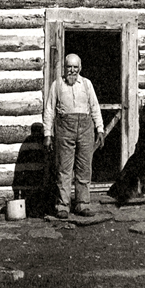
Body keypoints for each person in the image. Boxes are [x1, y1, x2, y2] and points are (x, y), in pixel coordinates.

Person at [43, 53, 104, 219]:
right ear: (64, 67)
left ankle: (82, 204)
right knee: (64, 168)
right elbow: (49, 110)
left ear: (80, 68)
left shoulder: (86, 84)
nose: (72, 70)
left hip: (85, 127)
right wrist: (47, 134)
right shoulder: (57, 85)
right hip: (64, 128)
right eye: (69, 67)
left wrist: (100, 128)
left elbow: (94, 107)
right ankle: (63, 205)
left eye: (75, 67)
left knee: (84, 168)